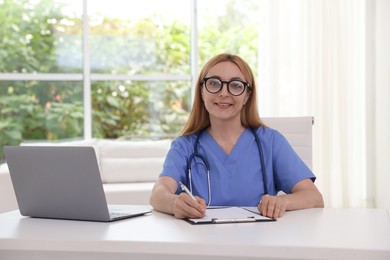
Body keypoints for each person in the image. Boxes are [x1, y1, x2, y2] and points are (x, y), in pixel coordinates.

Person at [150, 53, 324, 219]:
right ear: (202, 91)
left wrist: (282, 201)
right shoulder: (185, 146)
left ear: (247, 95)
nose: (224, 93)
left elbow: (314, 198)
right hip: (201, 244)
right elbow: (159, 192)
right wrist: (174, 203)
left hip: (259, 244)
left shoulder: (270, 142)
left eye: (235, 85)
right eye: (214, 83)